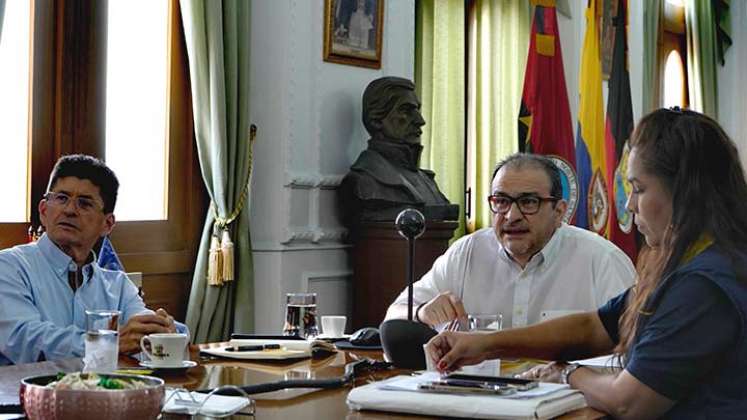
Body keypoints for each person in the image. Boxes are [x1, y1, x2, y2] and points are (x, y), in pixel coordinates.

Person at [426, 108, 747, 419]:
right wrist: (486, 344)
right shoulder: (695, 264)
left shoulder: (703, 284)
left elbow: (629, 403)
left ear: (684, 193)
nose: (631, 204)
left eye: (639, 189)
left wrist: (568, 374)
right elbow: (597, 325)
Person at [385, 153, 635, 329]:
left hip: (569, 396)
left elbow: (633, 349)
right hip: (477, 396)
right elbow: (394, 315)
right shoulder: (467, 252)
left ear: (559, 211)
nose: (512, 216)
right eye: (502, 202)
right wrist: (421, 311)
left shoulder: (602, 260)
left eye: (528, 202)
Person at [0, 154, 184, 365]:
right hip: (24, 395)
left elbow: (144, 333)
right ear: (43, 210)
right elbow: (25, 340)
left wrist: (161, 330)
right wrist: (108, 344)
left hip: (106, 395)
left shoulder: (119, 286)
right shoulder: (9, 267)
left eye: (84, 204)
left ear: (107, 224)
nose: (69, 210)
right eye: (61, 198)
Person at [339, 76, 458, 224]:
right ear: (376, 120)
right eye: (406, 111)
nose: (420, 121)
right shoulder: (362, 182)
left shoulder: (427, 181)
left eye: (417, 110)